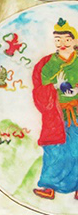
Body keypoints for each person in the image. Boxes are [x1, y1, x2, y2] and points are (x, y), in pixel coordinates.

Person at [32, 18, 78, 199]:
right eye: (58, 40)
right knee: (54, 150)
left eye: (67, 39)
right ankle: (49, 186)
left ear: (74, 41)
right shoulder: (48, 63)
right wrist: (55, 87)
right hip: (56, 115)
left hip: (76, 113)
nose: (62, 43)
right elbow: (40, 86)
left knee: (76, 149)